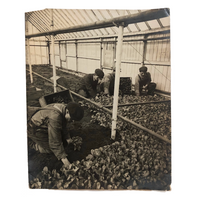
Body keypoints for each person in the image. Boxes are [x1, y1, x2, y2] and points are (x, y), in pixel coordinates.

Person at [27, 102, 84, 168]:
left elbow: (63, 124)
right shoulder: (55, 117)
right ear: (67, 112)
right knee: (51, 149)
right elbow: (54, 142)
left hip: (43, 124)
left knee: (60, 139)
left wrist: (68, 138)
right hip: (33, 129)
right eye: (72, 119)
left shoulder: (63, 107)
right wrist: (65, 160)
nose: (72, 121)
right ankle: (30, 143)